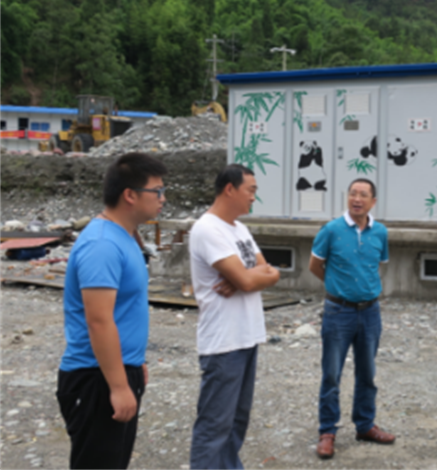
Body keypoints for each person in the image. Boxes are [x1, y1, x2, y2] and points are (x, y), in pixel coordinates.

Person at [57, 152, 168, 470]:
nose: (163, 199)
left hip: (116, 368)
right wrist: (118, 386)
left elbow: (124, 309)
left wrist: (134, 363)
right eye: (157, 191)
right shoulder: (102, 245)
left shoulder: (125, 236)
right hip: (96, 378)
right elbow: (98, 320)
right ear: (130, 195)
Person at [189, 164, 280, 470]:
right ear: (230, 189)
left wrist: (245, 277)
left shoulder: (239, 229)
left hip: (246, 336)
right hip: (223, 342)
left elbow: (271, 272)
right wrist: (247, 278)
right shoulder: (208, 229)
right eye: (250, 191)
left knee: (236, 422)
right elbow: (252, 279)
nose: (254, 197)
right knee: (215, 425)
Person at [309, 178, 395, 459]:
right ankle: (327, 431)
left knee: (367, 372)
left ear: (373, 201)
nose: (357, 199)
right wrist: (337, 286)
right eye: (353, 194)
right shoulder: (331, 230)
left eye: (363, 195)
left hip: (370, 312)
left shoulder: (380, 232)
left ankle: (365, 425)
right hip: (338, 312)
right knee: (331, 374)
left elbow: (377, 265)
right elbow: (315, 265)